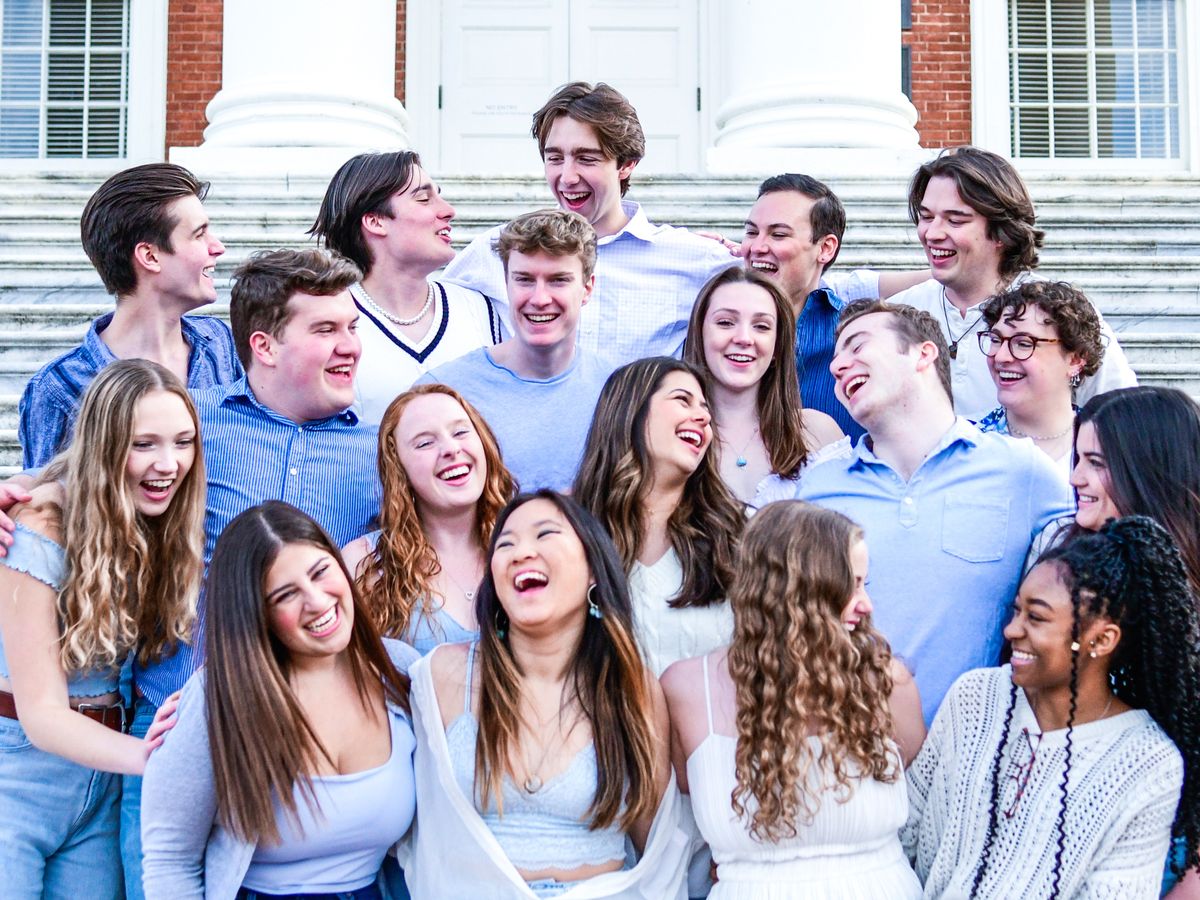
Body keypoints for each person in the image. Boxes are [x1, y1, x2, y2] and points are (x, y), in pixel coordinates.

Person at [122, 247, 383, 891]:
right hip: (177, 728)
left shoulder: (379, 451)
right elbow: (91, 479)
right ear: (263, 346)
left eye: (352, 327)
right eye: (326, 329)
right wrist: (23, 494)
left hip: (310, 743)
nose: (350, 346)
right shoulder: (191, 421)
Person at [792, 299, 1072, 723]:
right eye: (834, 360)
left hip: (974, 744)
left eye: (857, 345)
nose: (837, 366)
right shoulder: (818, 488)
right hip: (847, 741)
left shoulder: (1021, 470)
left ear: (923, 353)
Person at [404, 491, 687, 898]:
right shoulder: (442, 676)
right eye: (505, 544)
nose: (521, 553)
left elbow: (657, 844)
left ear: (593, 569)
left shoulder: (631, 687)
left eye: (545, 535)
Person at [903, 516, 1200, 898]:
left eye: (1037, 617)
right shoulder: (975, 697)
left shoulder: (1146, 763)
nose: (1012, 630)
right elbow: (903, 833)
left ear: (1102, 640)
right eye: (1017, 611)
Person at [141, 501, 417, 899]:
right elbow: (170, 858)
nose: (317, 601)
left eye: (320, 572)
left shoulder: (399, 671)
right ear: (256, 615)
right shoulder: (220, 695)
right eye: (286, 595)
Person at [0, 359, 203, 897]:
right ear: (104, 445)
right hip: (17, 775)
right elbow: (42, 715)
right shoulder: (40, 523)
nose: (169, 463)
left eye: (183, 442)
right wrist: (161, 759)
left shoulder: (155, 521)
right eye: (144, 444)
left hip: (101, 778)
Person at [662, 501, 925, 897]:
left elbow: (923, 808)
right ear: (801, 592)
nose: (866, 604)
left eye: (864, 584)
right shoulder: (686, 690)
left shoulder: (886, 684)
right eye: (851, 584)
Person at [442, 81, 735, 364]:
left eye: (586, 159)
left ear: (626, 164)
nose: (567, 177)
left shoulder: (694, 258)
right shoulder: (496, 250)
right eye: (555, 158)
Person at [888, 146, 1136, 420]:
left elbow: (1122, 416)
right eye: (926, 217)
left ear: (1001, 232)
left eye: (955, 220)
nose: (931, 233)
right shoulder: (897, 314)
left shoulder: (1059, 312)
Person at [19, 163, 240, 468]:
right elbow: (46, 493)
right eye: (199, 234)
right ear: (149, 256)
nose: (218, 247)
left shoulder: (220, 344)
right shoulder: (60, 388)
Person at [574, 357, 745, 676]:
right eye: (682, 400)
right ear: (631, 410)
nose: (703, 417)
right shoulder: (572, 534)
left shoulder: (740, 534)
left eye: (705, 409)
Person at [420, 208, 613, 491]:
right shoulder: (444, 391)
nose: (540, 299)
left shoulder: (617, 391)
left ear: (587, 289)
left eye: (558, 280)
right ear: (506, 284)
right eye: (524, 279)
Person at [310, 150, 503, 424]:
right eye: (424, 199)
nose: (448, 211)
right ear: (375, 221)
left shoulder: (480, 308)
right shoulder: (327, 319)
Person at [740, 173, 928, 441]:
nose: (756, 247)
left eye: (778, 234)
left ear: (825, 248)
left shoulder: (856, 339)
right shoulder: (715, 330)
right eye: (751, 232)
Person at [342, 384, 516, 652]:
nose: (451, 449)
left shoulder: (524, 548)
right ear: (399, 468)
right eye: (425, 443)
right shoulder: (365, 562)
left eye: (460, 432)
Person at [682, 266, 844, 505]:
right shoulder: (672, 434)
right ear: (700, 333)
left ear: (777, 345)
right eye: (726, 322)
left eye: (761, 326)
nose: (744, 338)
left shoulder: (818, 432)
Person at [1065, 387, 1200, 599]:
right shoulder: (1059, 561)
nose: (1075, 478)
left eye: (1096, 463)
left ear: (1146, 472)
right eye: (1078, 459)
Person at [976, 280, 1105, 474]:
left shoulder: (1109, 447)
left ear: (1075, 360)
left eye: (1024, 343)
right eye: (995, 340)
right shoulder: (968, 448)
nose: (1001, 356)